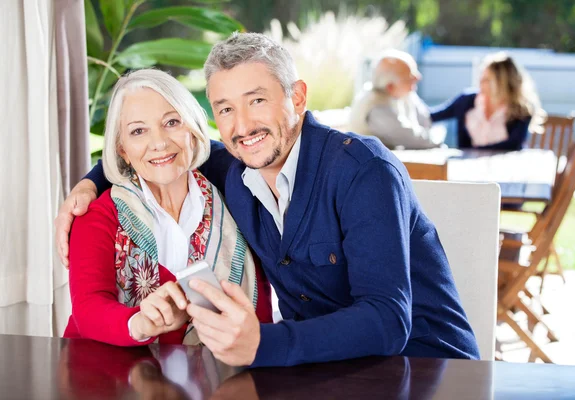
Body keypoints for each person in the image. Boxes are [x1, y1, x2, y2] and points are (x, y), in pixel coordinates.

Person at [56, 33, 479, 367]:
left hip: (424, 368)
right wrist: (91, 184)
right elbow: (161, 153)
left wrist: (262, 344)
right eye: (224, 109)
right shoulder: (236, 169)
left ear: (296, 97)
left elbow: (387, 321)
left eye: (256, 100)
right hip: (320, 367)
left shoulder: (363, 171)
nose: (242, 125)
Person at [62, 69, 272, 347]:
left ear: (194, 130)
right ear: (122, 148)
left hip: (219, 377)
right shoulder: (97, 215)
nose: (159, 143)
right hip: (108, 378)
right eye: (138, 131)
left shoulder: (237, 199)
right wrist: (140, 323)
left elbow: (260, 315)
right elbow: (88, 309)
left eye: (172, 122)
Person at [430, 52, 545, 150]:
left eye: (487, 80)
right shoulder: (466, 101)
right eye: (481, 77)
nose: (480, 83)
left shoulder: (521, 110)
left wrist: (474, 152)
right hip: (468, 168)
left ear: (502, 83)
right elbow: (431, 116)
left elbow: (513, 145)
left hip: (506, 171)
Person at [348, 49, 443, 149]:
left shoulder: (402, 93)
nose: (418, 77)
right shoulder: (376, 108)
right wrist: (438, 134)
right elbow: (414, 139)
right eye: (410, 76)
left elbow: (425, 121)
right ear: (390, 86)